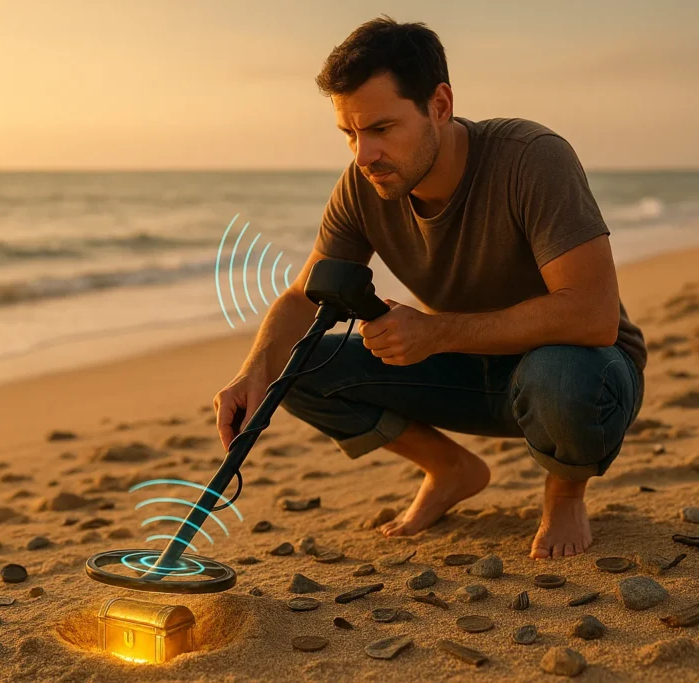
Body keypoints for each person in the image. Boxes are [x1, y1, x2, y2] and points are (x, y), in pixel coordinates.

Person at [213, 15, 646, 560]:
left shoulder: (531, 157)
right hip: (470, 369)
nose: (362, 154)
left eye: (381, 129)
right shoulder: (366, 183)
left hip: (588, 373)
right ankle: (450, 469)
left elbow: (592, 315)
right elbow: (305, 295)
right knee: (294, 366)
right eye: (350, 133)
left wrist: (435, 332)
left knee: (560, 375)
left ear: (439, 105)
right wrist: (254, 373)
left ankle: (564, 495)